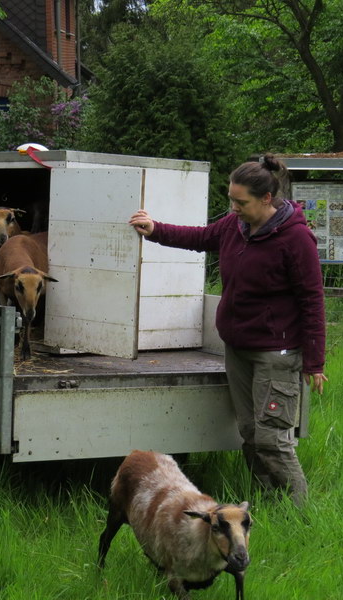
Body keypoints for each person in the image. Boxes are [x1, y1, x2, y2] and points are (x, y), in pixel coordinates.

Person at [129, 154, 327, 507]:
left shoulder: (296, 239)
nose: (233, 208)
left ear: (267, 198)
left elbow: (312, 300)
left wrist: (314, 362)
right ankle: (267, 501)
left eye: (241, 202)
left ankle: (301, 509)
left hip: (276, 353)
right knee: (250, 433)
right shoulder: (235, 227)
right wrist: (155, 230)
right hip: (238, 348)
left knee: (272, 438)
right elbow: (200, 236)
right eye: (231, 200)